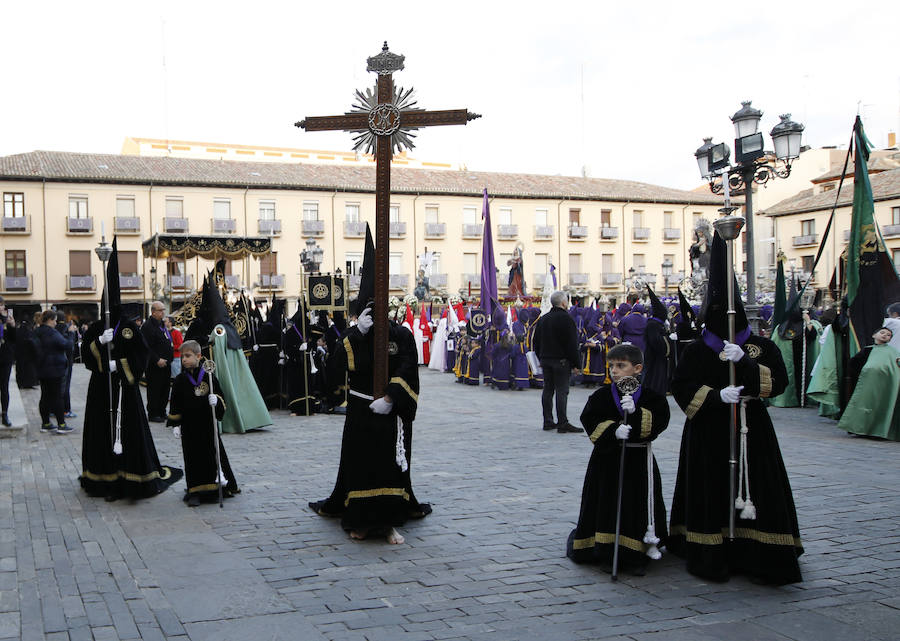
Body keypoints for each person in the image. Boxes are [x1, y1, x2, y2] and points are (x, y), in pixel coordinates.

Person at [668, 231, 803, 585]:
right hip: (708, 430)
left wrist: (745, 363)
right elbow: (680, 386)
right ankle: (711, 550)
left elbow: (780, 383)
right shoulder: (697, 350)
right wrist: (714, 396)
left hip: (752, 427)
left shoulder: (760, 347)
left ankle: (758, 551)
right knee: (708, 486)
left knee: (757, 485)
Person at [80, 237, 183, 500]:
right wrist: (97, 347)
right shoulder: (95, 327)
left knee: (127, 432)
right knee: (101, 431)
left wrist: (120, 365)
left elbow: (141, 354)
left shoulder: (128, 328)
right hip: (101, 388)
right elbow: (85, 354)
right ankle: (102, 477)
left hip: (124, 389)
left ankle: (129, 477)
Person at [567, 344, 670, 575]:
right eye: (611, 366)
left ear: (637, 368)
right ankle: (605, 549)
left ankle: (635, 551)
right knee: (607, 501)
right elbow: (590, 418)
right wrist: (613, 430)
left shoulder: (651, 395)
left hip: (638, 458)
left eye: (621, 366)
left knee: (636, 502)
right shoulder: (602, 395)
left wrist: (638, 414)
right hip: (607, 461)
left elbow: (661, 418)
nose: (614, 371)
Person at [167, 340, 239, 506]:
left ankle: (215, 487)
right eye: (182, 356)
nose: (184, 359)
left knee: (212, 455)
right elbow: (175, 402)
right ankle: (195, 490)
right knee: (192, 458)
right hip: (189, 426)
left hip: (207, 425)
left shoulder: (208, 377)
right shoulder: (180, 380)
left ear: (198, 356)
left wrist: (217, 401)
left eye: (188, 356)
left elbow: (221, 397)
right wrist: (176, 423)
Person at [836, 327, 900, 440]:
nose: (885, 335)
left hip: (885, 385)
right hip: (867, 384)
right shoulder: (867, 351)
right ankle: (860, 428)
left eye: (888, 335)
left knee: (882, 405)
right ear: (874, 335)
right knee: (864, 404)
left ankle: (879, 430)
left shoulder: (893, 352)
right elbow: (854, 364)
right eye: (882, 333)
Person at [533, 291, 581, 433]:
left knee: (548, 390)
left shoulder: (544, 318)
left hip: (546, 360)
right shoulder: (567, 319)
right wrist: (576, 364)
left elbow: (536, 341)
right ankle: (562, 422)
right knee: (561, 390)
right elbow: (572, 344)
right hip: (561, 361)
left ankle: (548, 421)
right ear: (564, 303)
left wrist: (541, 356)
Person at [35, 310, 75, 433]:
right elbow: (67, 345)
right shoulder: (52, 333)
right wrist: (71, 334)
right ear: (50, 320)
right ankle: (61, 425)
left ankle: (45, 423)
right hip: (55, 369)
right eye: (55, 320)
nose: (56, 322)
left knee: (45, 396)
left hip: (42, 369)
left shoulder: (37, 331)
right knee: (57, 397)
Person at [142, 301, 173, 422]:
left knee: (165, 389)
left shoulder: (162, 325)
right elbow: (146, 347)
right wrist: (157, 359)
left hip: (166, 363)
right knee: (155, 389)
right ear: (153, 312)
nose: (163, 312)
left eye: (164, 310)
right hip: (155, 365)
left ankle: (162, 411)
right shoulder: (148, 326)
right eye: (160, 310)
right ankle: (153, 413)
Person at [56, 311, 77, 419]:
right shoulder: (66, 329)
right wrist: (72, 334)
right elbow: (70, 347)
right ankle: (66, 410)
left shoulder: (53, 329)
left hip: (56, 362)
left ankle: (54, 409)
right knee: (65, 387)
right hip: (66, 361)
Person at [0, 297, 15, 426]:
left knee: (4, 387)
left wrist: (13, 326)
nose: (2, 307)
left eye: (2, 305)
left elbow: (13, 339)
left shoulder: (7, 320)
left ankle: (5, 414)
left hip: (5, 357)